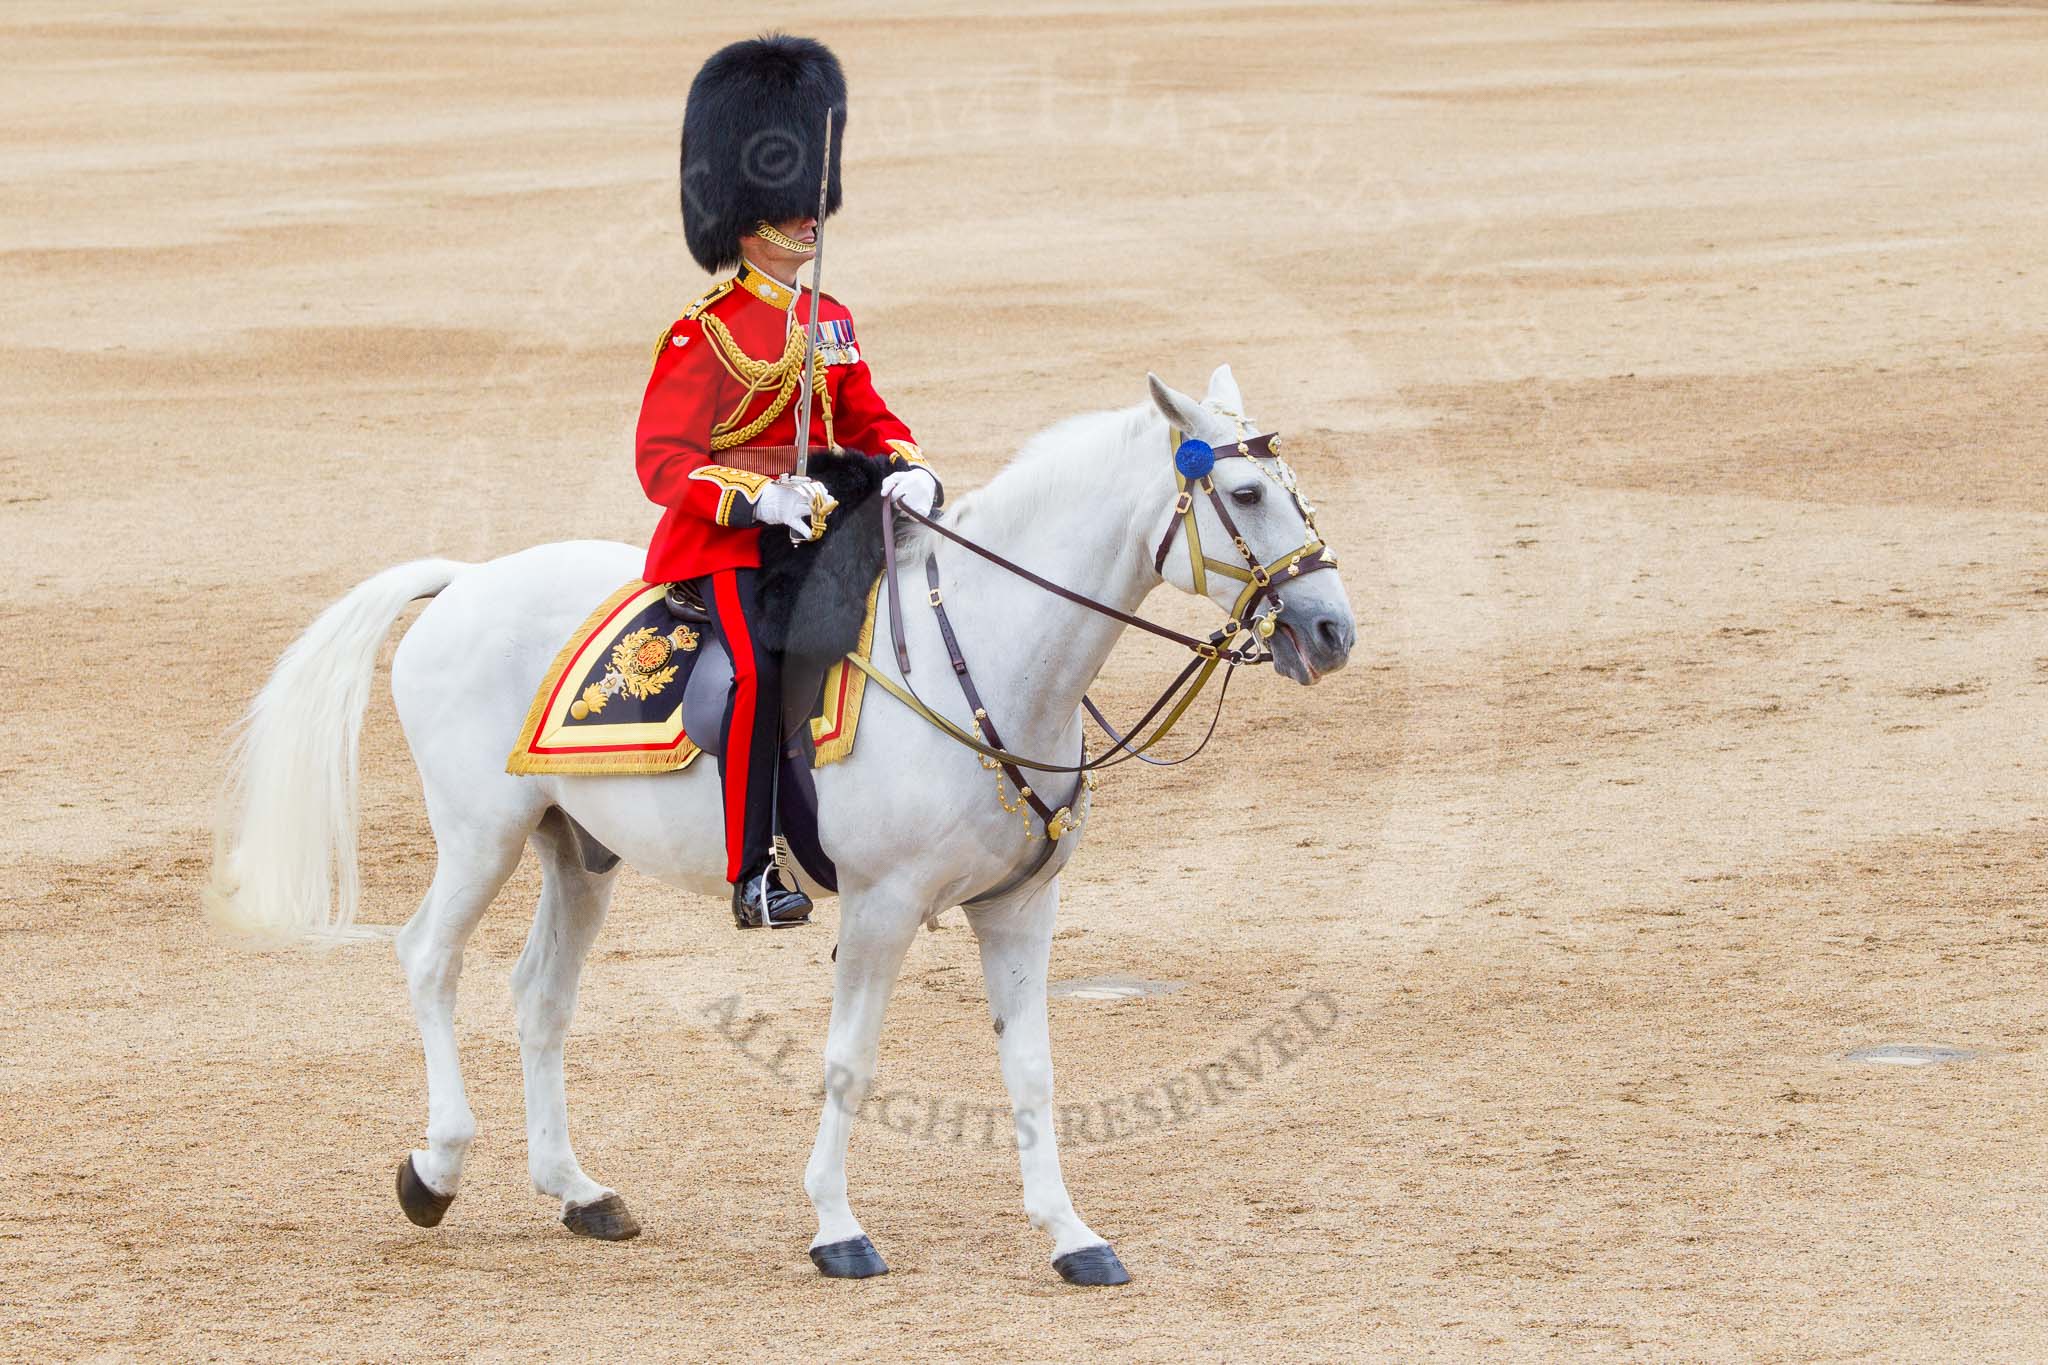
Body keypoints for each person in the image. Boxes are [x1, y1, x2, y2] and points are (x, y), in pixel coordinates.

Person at [636, 34, 941, 929]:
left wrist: (909, 467)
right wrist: (754, 495)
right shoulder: (704, 334)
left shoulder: (831, 319)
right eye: (794, 207)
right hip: (725, 543)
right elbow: (662, 460)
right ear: (746, 216)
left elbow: (868, 418)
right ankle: (751, 870)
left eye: (814, 204)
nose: (813, 219)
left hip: (824, 530)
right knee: (758, 675)